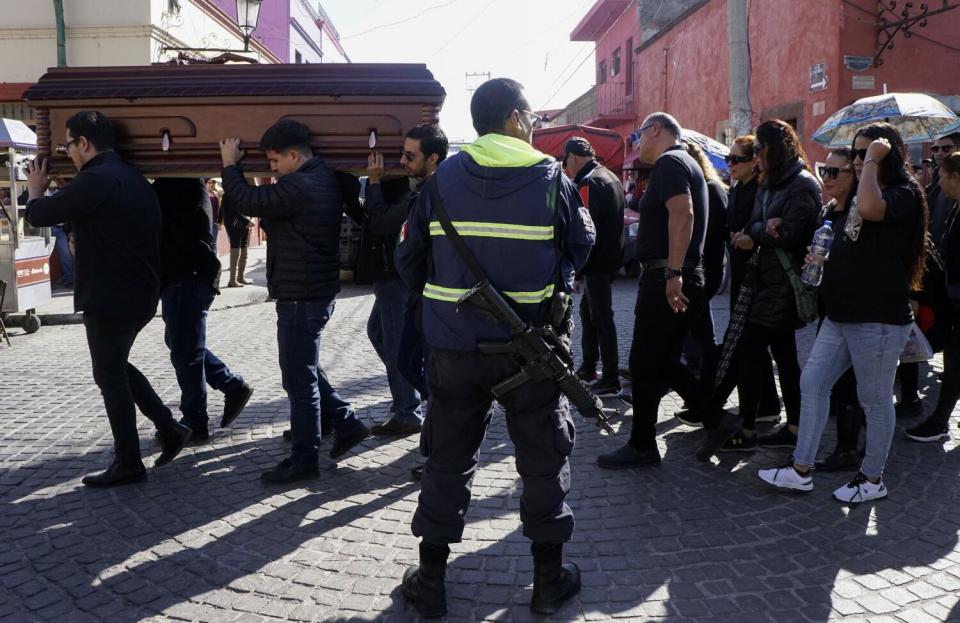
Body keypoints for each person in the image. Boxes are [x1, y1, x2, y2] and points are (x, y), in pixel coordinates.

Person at [395, 78, 594, 618]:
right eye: (529, 115)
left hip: (453, 352)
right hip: (531, 350)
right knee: (542, 459)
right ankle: (548, 581)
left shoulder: (438, 182)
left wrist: (444, 307)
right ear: (511, 117)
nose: (532, 124)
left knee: (446, 459)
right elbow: (583, 245)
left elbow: (408, 263)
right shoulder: (553, 179)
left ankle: (431, 580)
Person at [760, 122, 928, 503]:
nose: (857, 159)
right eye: (855, 152)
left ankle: (871, 479)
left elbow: (871, 208)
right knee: (813, 383)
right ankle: (801, 469)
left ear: (888, 154)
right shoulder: (849, 201)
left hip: (879, 319)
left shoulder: (903, 193)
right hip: (840, 316)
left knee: (874, 399)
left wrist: (871, 162)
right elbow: (852, 243)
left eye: (865, 152)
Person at [25, 111, 191, 487]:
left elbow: (40, 214)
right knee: (115, 366)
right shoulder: (131, 176)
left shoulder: (97, 178)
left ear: (84, 143)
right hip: (139, 292)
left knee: (109, 375)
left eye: (69, 144)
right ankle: (169, 429)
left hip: (110, 295)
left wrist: (35, 187)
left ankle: (130, 462)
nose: (67, 151)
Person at [219, 120, 370, 485]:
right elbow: (270, 211)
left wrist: (229, 164)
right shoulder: (318, 178)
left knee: (298, 378)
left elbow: (248, 202)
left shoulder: (301, 184)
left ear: (293, 155)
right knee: (306, 367)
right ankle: (347, 423)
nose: (272, 167)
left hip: (302, 295)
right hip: (308, 291)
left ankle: (305, 459)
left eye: (273, 161)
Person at [596, 112, 740, 469]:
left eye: (639, 136)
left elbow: (683, 214)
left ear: (655, 130)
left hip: (668, 276)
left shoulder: (670, 161)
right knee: (662, 361)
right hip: (678, 275)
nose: (638, 143)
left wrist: (673, 272)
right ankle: (715, 419)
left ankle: (644, 444)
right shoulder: (685, 162)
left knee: (645, 362)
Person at [723, 120, 820, 456]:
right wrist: (763, 229)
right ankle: (793, 425)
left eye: (760, 149)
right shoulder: (771, 183)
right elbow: (755, 223)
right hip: (765, 279)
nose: (757, 156)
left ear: (774, 149)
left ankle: (749, 429)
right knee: (784, 355)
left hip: (786, 282)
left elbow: (792, 233)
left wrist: (759, 233)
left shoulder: (802, 184)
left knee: (752, 352)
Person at [152, 178, 254, 443]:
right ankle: (231, 385)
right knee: (180, 342)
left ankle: (196, 420)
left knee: (187, 352)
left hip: (187, 275)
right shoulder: (181, 186)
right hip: (184, 274)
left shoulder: (179, 186)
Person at [362, 124, 447, 435]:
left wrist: (373, 181)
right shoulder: (418, 185)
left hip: (402, 278)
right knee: (379, 333)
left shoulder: (425, 192)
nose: (401, 160)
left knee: (399, 344)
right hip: (394, 274)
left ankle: (409, 408)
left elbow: (383, 222)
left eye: (410, 155)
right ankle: (412, 392)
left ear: (433, 158)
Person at [809, 147, 863, 471]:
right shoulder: (827, 211)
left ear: (853, 174)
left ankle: (848, 449)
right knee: (824, 380)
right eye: (824, 171)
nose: (826, 178)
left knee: (853, 385)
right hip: (828, 307)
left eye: (834, 172)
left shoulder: (860, 211)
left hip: (856, 311)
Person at [564, 136, 625, 396]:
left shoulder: (589, 181)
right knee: (590, 314)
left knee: (600, 318)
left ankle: (610, 377)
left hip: (596, 263)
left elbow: (585, 230)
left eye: (566, 161)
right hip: (608, 259)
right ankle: (589, 368)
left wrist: (577, 270)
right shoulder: (609, 175)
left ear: (574, 157)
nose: (566, 167)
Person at [907, 150, 960, 442]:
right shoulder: (954, 206)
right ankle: (939, 421)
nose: (938, 180)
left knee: (954, 365)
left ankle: (939, 422)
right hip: (954, 301)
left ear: (955, 177)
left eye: (942, 175)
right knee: (954, 363)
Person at [680, 140, 727, 378]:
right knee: (699, 326)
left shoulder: (709, 189)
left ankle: (701, 369)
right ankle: (702, 368)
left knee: (690, 326)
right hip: (703, 268)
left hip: (704, 269)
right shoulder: (707, 188)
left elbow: (711, 233)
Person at [219, 186, 253, 287]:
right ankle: (232, 280)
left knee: (244, 250)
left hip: (244, 225)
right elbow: (232, 210)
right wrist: (247, 221)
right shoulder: (227, 195)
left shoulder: (241, 193)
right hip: (234, 225)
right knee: (235, 251)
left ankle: (240, 277)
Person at [206, 178, 222, 246]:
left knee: (214, 243)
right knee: (207, 242)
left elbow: (220, 208)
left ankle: (214, 256)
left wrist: (219, 222)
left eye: (213, 183)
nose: (212, 184)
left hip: (215, 222)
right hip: (206, 222)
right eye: (209, 183)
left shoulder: (216, 194)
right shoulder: (204, 194)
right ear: (205, 184)